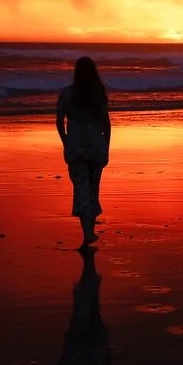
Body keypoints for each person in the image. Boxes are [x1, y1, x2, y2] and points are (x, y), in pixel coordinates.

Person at [56, 56, 111, 250]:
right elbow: (106, 123)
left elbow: (59, 122)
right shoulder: (98, 93)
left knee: (81, 190)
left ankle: (87, 233)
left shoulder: (66, 94)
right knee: (93, 189)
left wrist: (66, 142)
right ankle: (90, 233)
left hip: (77, 146)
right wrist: (107, 146)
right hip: (96, 145)